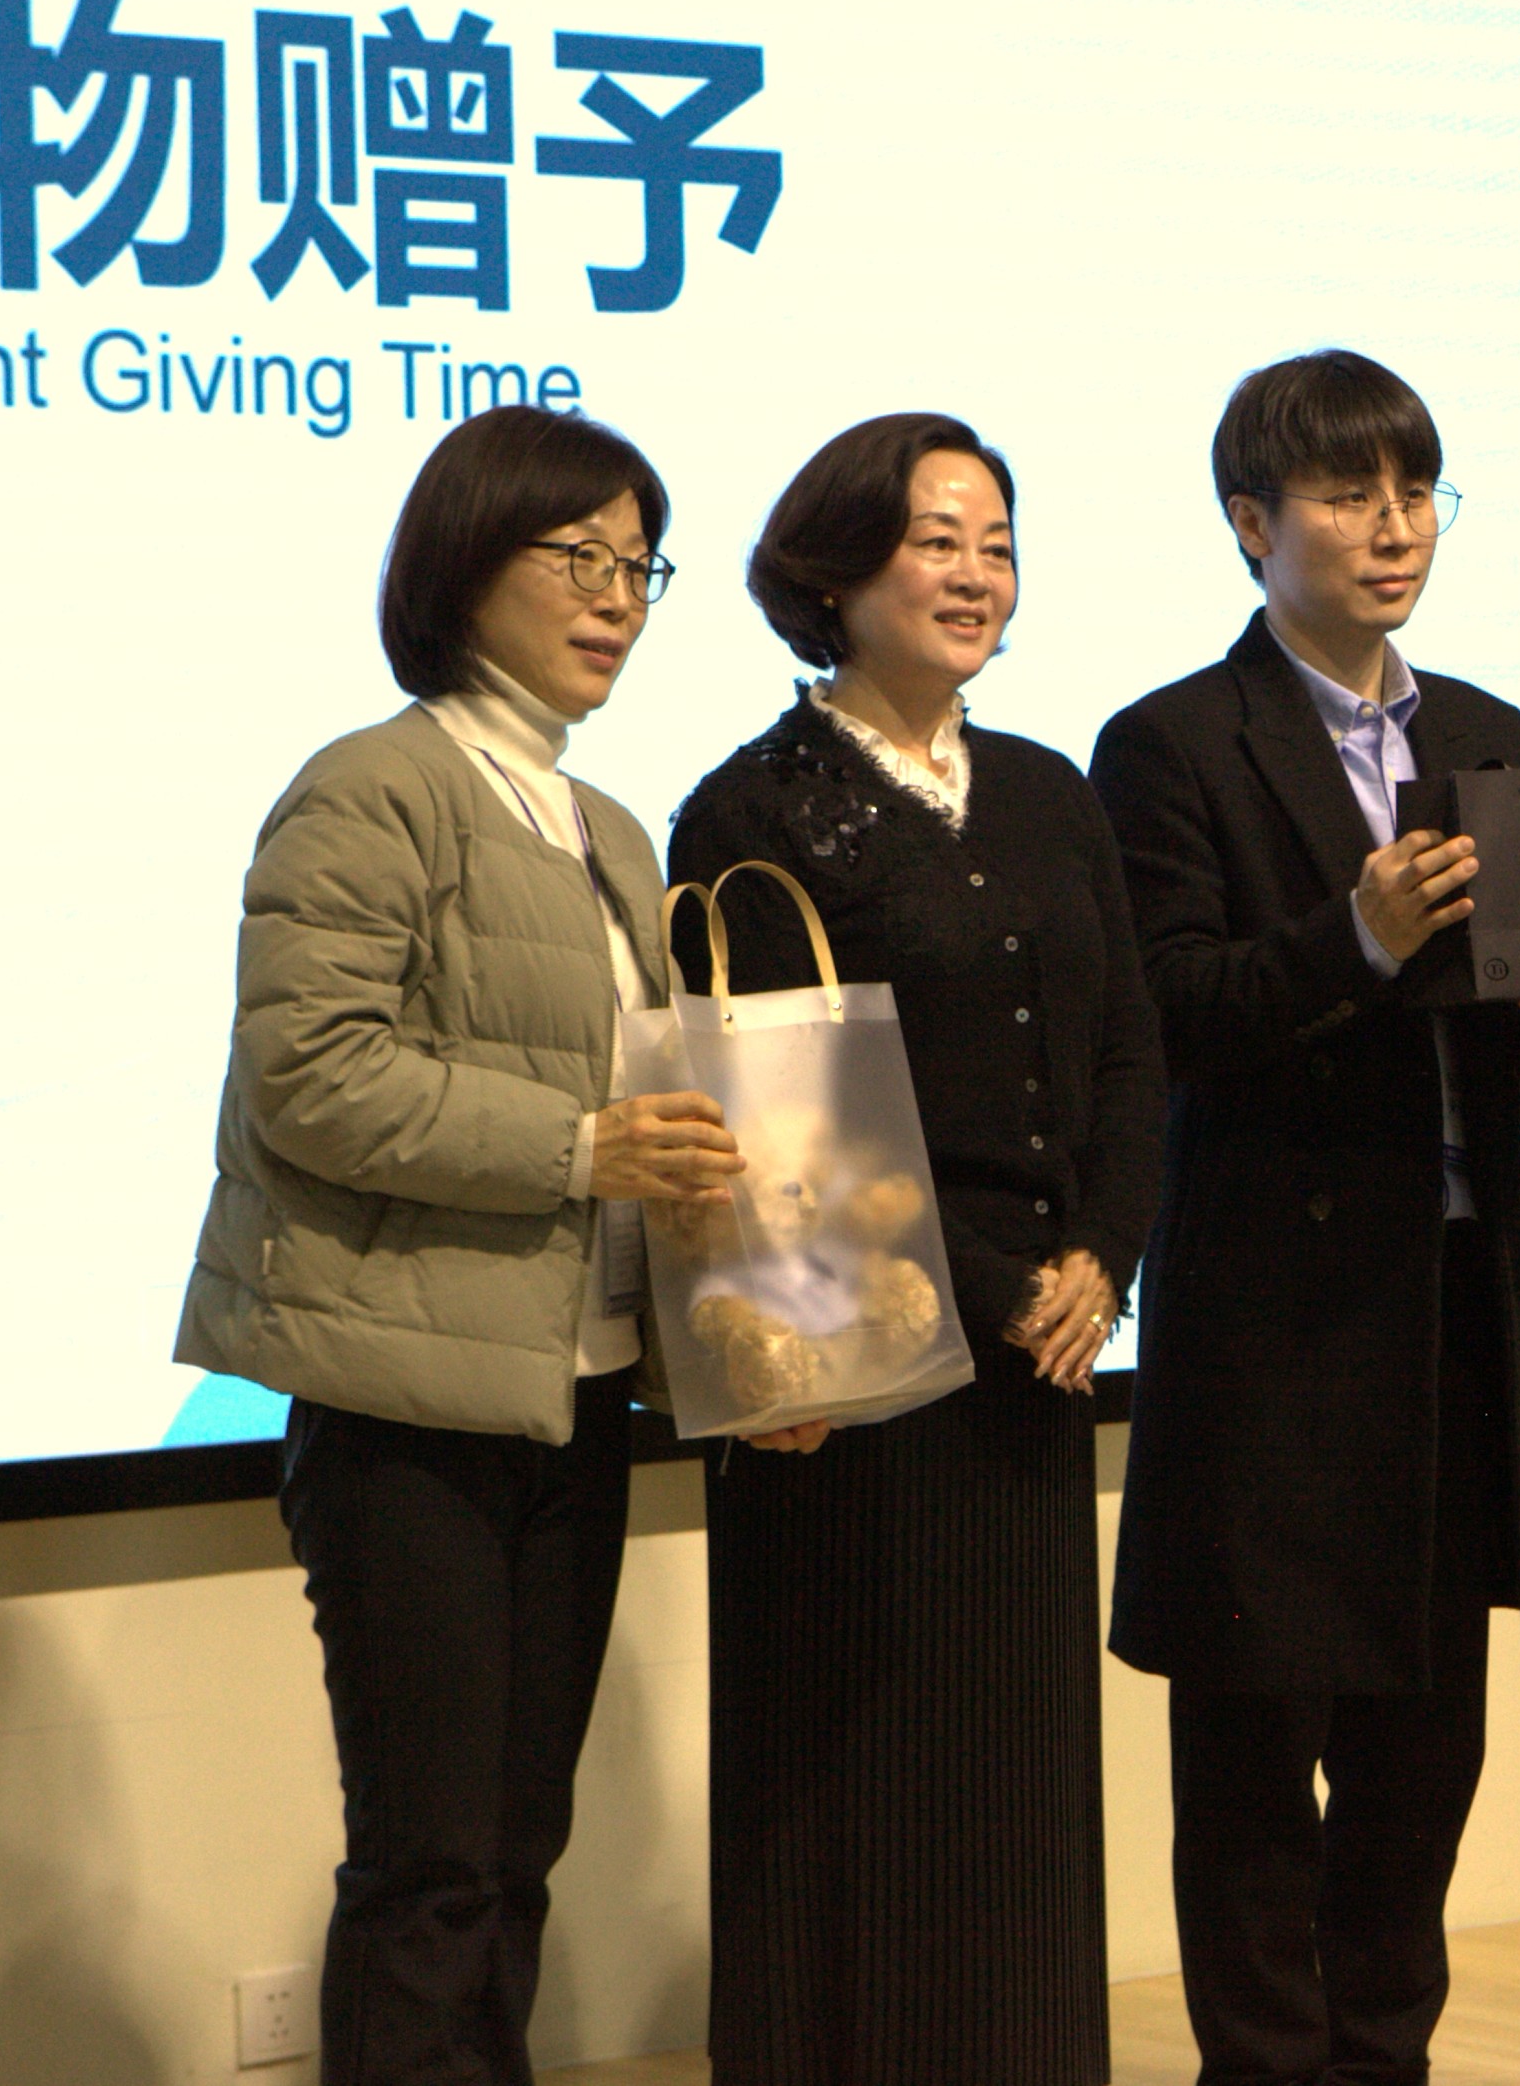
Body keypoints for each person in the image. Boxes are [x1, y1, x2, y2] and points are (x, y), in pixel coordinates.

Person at [1094, 349, 1520, 2086]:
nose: (1393, 526)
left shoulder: (1483, 734)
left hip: (1454, 1300)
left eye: (1416, 491)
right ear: (1249, 522)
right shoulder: (1169, 742)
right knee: (1256, 1756)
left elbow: (1516, 1031)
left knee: (1425, 1749)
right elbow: (1171, 1014)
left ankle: (1382, 2056)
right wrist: (1356, 933)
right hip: (1274, 1326)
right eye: (1348, 495)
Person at [174, 404, 746, 2086]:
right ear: (463, 562)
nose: (617, 597)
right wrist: (578, 1147)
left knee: (512, 1852)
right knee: (430, 1864)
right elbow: (311, 1075)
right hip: (405, 1413)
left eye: (639, 565)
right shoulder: (373, 787)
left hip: (573, 1396)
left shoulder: (608, 826)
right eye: (579, 557)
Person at [664, 411, 1163, 2086]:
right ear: (833, 570)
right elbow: (780, 1120)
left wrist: (1103, 1254)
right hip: (846, 1372)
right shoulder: (750, 805)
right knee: (852, 1774)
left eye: (996, 543)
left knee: (1014, 1780)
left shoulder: (1049, 790)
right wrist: (1002, 1279)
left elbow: (1131, 1051)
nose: (975, 573)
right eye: (935, 539)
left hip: (1038, 1366)